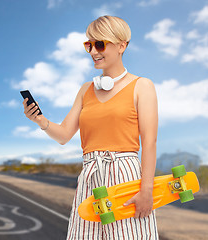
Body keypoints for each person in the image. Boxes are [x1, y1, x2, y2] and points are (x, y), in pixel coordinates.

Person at [22, 15, 159, 239]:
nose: (94, 51)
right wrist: (40, 120)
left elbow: (150, 142)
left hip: (124, 174)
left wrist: (146, 191)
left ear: (122, 45)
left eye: (100, 44)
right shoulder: (86, 89)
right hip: (90, 175)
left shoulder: (141, 86)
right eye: (89, 45)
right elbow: (65, 134)